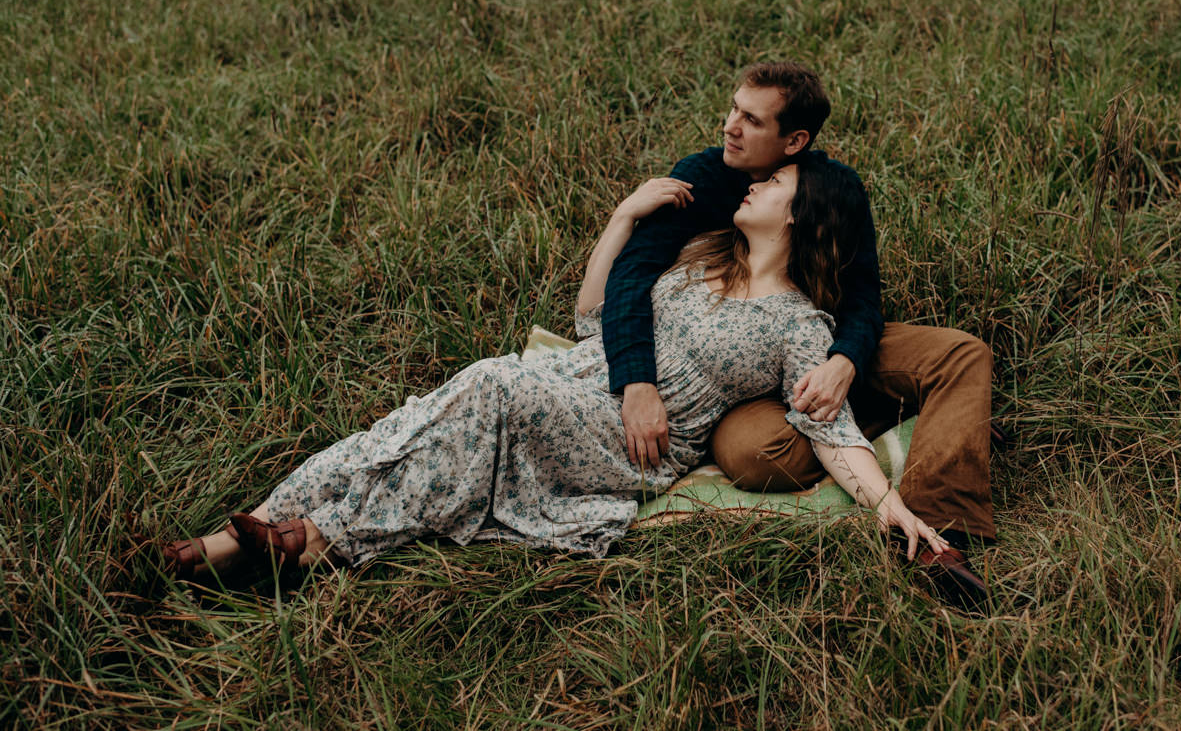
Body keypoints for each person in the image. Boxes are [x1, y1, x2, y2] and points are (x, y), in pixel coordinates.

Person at [162, 156, 948, 579]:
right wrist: (623, 216)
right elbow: (592, 316)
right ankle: (266, 538)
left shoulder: (797, 323)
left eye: (774, 182)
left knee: (489, 385)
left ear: (804, 213)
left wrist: (890, 506)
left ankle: (296, 537)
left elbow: (829, 427)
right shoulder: (705, 253)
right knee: (418, 419)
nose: (754, 182)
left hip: (635, 438)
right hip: (582, 379)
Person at [602, 62, 995, 606]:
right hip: (736, 366)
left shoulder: (832, 190)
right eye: (734, 110)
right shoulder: (704, 179)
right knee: (752, 454)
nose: (730, 128)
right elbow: (629, 276)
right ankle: (908, 421)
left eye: (751, 120)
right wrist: (636, 381)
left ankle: (935, 538)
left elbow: (861, 296)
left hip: (818, 339)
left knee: (962, 355)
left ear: (795, 141)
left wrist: (844, 361)